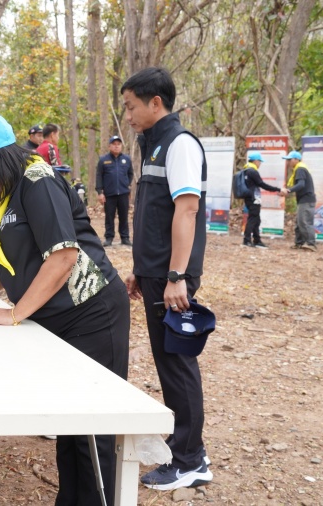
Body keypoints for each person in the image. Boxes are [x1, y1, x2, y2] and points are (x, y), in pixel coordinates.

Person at [0, 112, 130, 506]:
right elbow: (1, 270)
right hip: (55, 319)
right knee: (69, 425)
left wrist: (15, 313)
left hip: (91, 312)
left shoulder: (38, 181)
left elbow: (63, 256)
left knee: (93, 432)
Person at [120, 67, 212, 490]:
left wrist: (176, 276)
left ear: (155, 103)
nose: (128, 115)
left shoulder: (180, 144)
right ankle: (186, 448)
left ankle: (190, 460)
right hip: (156, 273)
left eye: (131, 106)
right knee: (168, 361)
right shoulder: (153, 146)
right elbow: (155, 216)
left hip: (172, 277)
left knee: (176, 363)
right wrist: (142, 270)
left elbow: (187, 210)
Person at [95, 135, 134, 247]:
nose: (116, 146)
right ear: (109, 146)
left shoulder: (126, 159)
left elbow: (130, 173)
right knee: (109, 216)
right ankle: (109, 237)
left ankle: (125, 237)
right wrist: (100, 192)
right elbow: (99, 176)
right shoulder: (103, 160)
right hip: (109, 194)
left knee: (124, 216)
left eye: (118, 144)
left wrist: (126, 184)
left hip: (123, 193)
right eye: (114, 144)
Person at [240, 152, 282, 248]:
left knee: (256, 219)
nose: (260, 164)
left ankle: (257, 240)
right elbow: (262, 184)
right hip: (254, 199)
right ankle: (246, 240)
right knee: (253, 219)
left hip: (249, 198)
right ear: (255, 161)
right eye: (260, 161)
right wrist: (278, 189)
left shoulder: (246, 170)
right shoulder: (253, 171)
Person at [280, 151, 317, 251]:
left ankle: (311, 243)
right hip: (303, 199)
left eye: (289, 159)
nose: (288, 162)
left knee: (304, 222)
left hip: (306, 199)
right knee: (299, 222)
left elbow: (301, 184)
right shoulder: (299, 168)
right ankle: (299, 243)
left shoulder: (300, 169)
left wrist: (288, 190)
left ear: (296, 159)